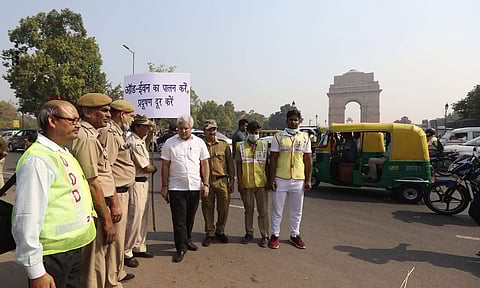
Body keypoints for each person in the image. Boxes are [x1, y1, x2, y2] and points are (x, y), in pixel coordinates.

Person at [12, 100, 96, 288]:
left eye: (78, 119)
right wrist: (36, 271)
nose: (78, 124)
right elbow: (27, 216)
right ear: (52, 121)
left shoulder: (62, 152)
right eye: (72, 120)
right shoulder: (38, 159)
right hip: (53, 254)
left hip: (71, 249)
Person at [70, 93, 129, 287]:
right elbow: (93, 182)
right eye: (103, 110)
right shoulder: (86, 138)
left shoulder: (92, 135)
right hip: (96, 205)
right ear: (87, 112)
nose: (108, 115)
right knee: (93, 260)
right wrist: (108, 217)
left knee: (99, 254)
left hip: (100, 203)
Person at [160, 115, 210, 263]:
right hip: (176, 187)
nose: (183, 131)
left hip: (194, 185)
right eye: (180, 128)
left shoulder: (199, 143)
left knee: (190, 217)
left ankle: (187, 239)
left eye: (186, 128)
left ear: (191, 128)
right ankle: (180, 247)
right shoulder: (170, 143)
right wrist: (164, 186)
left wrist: (206, 184)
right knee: (179, 219)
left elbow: (205, 164)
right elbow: (165, 165)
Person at [98, 100, 136, 283]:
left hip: (122, 191)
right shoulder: (110, 134)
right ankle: (111, 280)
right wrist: (113, 202)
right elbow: (106, 170)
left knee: (119, 241)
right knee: (115, 242)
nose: (133, 118)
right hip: (116, 194)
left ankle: (117, 272)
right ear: (122, 115)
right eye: (131, 115)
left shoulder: (118, 133)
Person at [269, 110, 312, 249]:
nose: (293, 122)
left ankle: (295, 235)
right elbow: (273, 158)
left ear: (300, 121)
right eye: (291, 119)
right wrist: (272, 179)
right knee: (277, 209)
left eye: (296, 120)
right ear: (286, 121)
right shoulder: (278, 137)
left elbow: (308, 159)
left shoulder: (305, 137)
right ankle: (275, 235)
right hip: (281, 177)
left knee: (297, 210)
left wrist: (309, 179)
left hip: (299, 178)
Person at [124, 115, 158, 268]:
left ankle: (139, 245)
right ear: (136, 127)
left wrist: (151, 133)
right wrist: (156, 168)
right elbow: (145, 167)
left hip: (143, 183)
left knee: (142, 217)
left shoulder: (139, 141)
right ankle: (127, 251)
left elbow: (147, 142)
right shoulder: (133, 142)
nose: (148, 129)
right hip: (136, 182)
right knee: (135, 218)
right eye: (145, 126)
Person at [201, 120, 235, 247]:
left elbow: (230, 164)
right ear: (204, 131)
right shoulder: (200, 145)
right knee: (207, 207)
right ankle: (210, 232)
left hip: (222, 180)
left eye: (214, 129)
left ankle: (220, 231)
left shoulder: (223, 145)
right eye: (209, 129)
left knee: (224, 208)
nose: (212, 132)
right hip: (207, 181)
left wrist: (232, 180)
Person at [236, 121, 269, 247]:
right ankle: (249, 233)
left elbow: (268, 165)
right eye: (252, 133)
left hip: (261, 183)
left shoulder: (265, 145)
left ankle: (264, 235)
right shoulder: (240, 146)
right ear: (247, 133)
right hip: (247, 183)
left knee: (263, 211)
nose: (255, 135)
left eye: (257, 133)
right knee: (248, 210)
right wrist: (239, 183)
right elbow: (238, 166)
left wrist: (269, 181)